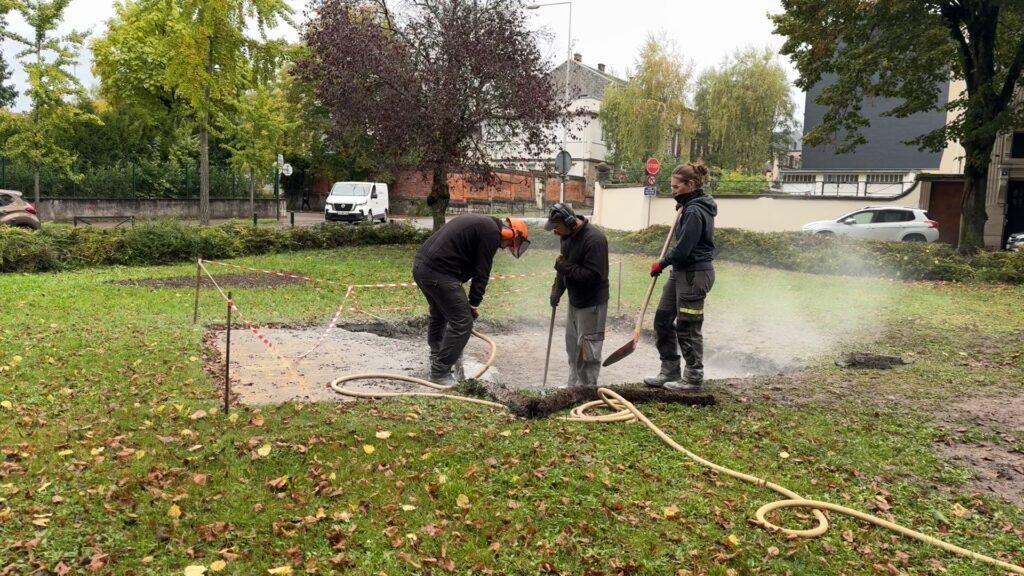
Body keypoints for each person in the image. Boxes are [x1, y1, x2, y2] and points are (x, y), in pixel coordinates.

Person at [412, 213, 530, 385]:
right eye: (509, 244)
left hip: (423, 268)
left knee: (440, 315)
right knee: (462, 322)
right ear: (510, 234)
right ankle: (440, 373)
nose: (504, 248)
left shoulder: (484, 225)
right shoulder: (491, 233)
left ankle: (436, 359)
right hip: (439, 272)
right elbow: (482, 272)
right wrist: (473, 304)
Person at [644, 162, 717, 391]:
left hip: (695, 274)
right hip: (681, 273)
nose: (673, 191)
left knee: (687, 325)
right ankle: (669, 370)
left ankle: (693, 377)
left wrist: (661, 263)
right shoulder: (689, 207)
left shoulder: (695, 211)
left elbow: (683, 249)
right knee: (663, 320)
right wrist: (682, 204)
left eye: (676, 187)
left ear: (691, 184)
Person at [547, 203, 609, 387]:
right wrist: (557, 290)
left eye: (557, 227)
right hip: (575, 301)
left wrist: (564, 267)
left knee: (588, 349)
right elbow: (563, 265)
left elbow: (592, 276)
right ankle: (573, 386)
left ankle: (587, 388)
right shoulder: (566, 236)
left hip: (592, 302)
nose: (555, 232)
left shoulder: (595, 240)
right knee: (572, 345)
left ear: (569, 221)